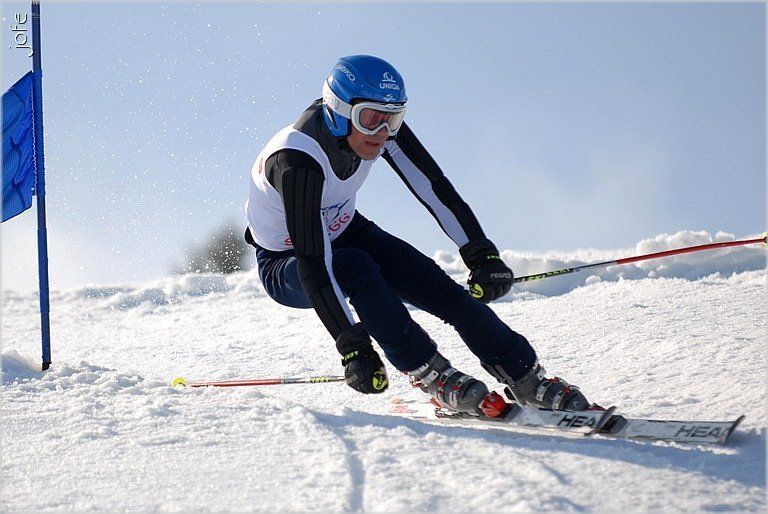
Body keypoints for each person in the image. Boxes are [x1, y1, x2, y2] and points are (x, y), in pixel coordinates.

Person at [245, 55, 594, 417]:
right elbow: (315, 263)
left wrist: (480, 253)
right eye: (370, 119)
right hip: (287, 263)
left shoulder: (380, 131)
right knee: (354, 266)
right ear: (339, 112)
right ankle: (430, 373)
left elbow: (434, 188)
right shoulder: (297, 160)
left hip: (348, 231)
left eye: (393, 118)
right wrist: (353, 347)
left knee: (439, 287)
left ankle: (526, 376)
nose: (382, 132)